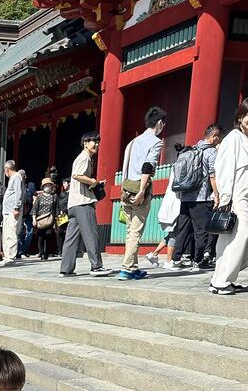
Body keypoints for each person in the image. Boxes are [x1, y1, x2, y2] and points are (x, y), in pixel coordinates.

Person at [210, 97, 248, 295]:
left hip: (245, 198)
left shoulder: (245, 139)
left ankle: (222, 279)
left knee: (232, 241)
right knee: (235, 240)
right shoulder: (233, 137)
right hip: (237, 199)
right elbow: (223, 168)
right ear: (240, 116)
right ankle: (222, 280)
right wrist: (225, 198)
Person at [118, 106, 166, 281]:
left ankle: (133, 267)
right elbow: (148, 166)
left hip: (126, 189)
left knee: (130, 231)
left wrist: (124, 189)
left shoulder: (133, 142)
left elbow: (124, 167)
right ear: (160, 123)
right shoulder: (155, 142)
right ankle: (126, 269)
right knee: (136, 233)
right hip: (139, 190)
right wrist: (142, 190)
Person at [59, 132, 111, 277]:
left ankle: (66, 269)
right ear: (85, 143)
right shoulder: (85, 157)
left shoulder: (81, 158)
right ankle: (96, 266)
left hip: (74, 204)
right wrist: (93, 181)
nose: (97, 144)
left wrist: (94, 183)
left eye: (98, 142)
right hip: (83, 202)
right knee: (91, 235)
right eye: (94, 141)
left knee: (71, 238)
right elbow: (77, 175)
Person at [171, 123, 222, 270]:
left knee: (183, 228)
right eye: (218, 137)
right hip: (201, 197)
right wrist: (217, 195)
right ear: (214, 137)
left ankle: (176, 259)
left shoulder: (192, 148)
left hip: (185, 196)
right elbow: (213, 175)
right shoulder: (211, 152)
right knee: (201, 230)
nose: (219, 140)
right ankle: (198, 261)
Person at [2, 160, 24, 267]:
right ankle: (6, 256)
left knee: (11, 233)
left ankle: (11, 256)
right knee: (6, 234)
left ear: (7, 169)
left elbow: (18, 193)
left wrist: (16, 207)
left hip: (12, 210)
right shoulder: (12, 178)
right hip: (7, 211)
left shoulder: (16, 177)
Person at [32, 177, 57, 261]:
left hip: (50, 219)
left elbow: (56, 209)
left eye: (49, 185)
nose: (47, 187)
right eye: (46, 186)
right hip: (40, 219)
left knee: (49, 236)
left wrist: (56, 221)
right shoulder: (39, 197)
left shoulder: (54, 197)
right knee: (40, 237)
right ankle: (41, 252)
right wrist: (34, 219)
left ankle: (46, 253)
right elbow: (35, 208)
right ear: (43, 187)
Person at [19, 171, 36, 258]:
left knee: (30, 232)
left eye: (22, 175)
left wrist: (35, 212)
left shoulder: (31, 185)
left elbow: (34, 198)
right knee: (20, 232)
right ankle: (19, 251)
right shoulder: (17, 185)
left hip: (29, 212)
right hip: (20, 213)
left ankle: (24, 250)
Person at [56, 178, 70, 255]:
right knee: (59, 232)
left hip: (69, 214)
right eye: (63, 183)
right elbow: (58, 204)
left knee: (68, 232)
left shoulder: (72, 194)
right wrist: (58, 214)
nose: (64, 185)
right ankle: (60, 249)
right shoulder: (62, 194)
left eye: (65, 183)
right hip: (62, 215)